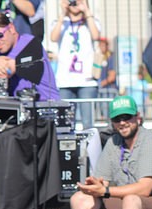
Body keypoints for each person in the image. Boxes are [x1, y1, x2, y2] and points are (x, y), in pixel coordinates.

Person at [0, 12, 59, 100]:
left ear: (11, 28)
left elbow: (6, 72)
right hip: (17, 106)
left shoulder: (29, 43)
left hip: (45, 104)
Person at [50, 0, 101, 129]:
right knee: (65, 124)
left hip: (87, 81)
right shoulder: (60, 23)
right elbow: (53, 37)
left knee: (88, 124)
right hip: (65, 81)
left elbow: (96, 36)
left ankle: (89, 149)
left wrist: (86, 11)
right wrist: (63, 13)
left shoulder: (91, 22)